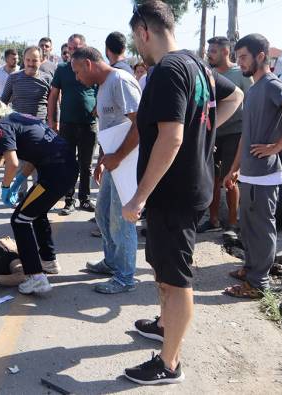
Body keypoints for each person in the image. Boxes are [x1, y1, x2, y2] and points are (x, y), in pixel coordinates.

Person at [122, 0, 243, 385]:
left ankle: (169, 364)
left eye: (135, 38)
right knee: (163, 265)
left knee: (176, 281)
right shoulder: (197, 63)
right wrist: (202, 133)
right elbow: (234, 97)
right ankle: (163, 325)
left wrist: (139, 197)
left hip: (173, 194)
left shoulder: (168, 70)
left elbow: (171, 138)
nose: (137, 46)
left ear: (144, 31)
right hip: (185, 189)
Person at [222, 34, 282, 298]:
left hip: (266, 175)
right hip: (249, 174)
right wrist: (234, 168)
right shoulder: (253, 89)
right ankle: (250, 269)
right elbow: (245, 137)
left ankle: (257, 284)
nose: (240, 63)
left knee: (261, 229)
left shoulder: (272, 85)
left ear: (261, 56)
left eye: (244, 57)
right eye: (237, 58)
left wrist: (277, 147)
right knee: (248, 228)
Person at [0, 98, 78, 293]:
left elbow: (11, 162)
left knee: (19, 220)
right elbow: (33, 156)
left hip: (54, 173)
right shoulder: (18, 117)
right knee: (36, 213)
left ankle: (36, 277)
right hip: (65, 168)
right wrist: (19, 181)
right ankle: (48, 261)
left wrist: (5, 187)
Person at [71, 46, 141, 294]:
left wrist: (119, 156)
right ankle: (112, 263)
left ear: (89, 64)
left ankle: (125, 277)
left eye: (78, 72)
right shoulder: (103, 86)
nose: (78, 78)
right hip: (115, 161)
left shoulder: (119, 81)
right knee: (102, 214)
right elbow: (112, 128)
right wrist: (103, 160)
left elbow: (140, 123)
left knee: (122, 221)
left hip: (128, 162)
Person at [196, 36, 254, 234]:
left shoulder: (242, 74)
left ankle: (232, 224)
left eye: (213, 51)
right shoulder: (206, 73)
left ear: (225, 52)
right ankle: (213, 220)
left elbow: (252, 104)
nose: (209, 54)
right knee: (211, 178)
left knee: (230, 180)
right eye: (209, 50)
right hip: (211, 133)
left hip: (235, 134)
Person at [47, 33, 98, 215]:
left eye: (75, 48)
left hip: (89, 124)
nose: (72, 51)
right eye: (69, 48)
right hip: (67, 124)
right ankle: (69, 200)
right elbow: (53, 95)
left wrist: (98, 105)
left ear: (84, 48)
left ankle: (84, 198)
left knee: (86, 165)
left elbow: (101, 89)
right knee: (68, 163)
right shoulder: (61, 69)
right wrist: (52, 120)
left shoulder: (91, 67)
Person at [1, 46, 53, 120]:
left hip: (39, 127)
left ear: (41, 60)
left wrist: (55, 122)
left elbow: (54, 104)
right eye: (28, 60)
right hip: (17, 125)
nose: (31, 64)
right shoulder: (13, 77)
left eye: (34, 60)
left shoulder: (48, 79)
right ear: (23, 60)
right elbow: (3, 101)